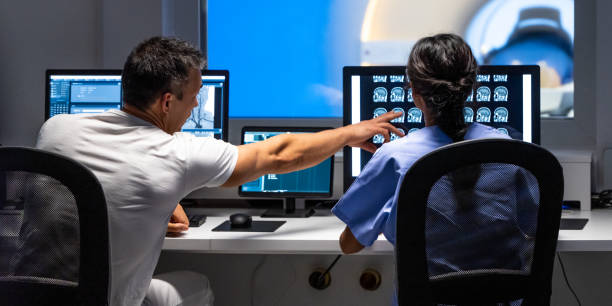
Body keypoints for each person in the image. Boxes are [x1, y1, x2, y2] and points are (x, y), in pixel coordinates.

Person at [34, 36, 402, 306]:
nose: (194, 109)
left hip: (35, 293)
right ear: (166, 102)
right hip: (108, 298)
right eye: (193, 99)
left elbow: (95, 193)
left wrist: (159, 204)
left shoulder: (56, 128)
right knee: (195, 287)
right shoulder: (175, 154)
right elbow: (279, 155)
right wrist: (351, 134)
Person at [332, 34, 536, 305]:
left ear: (415, 95)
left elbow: (349, 245)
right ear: (471, 88)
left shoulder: (395, 158)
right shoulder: (509, 153)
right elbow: (534, 229)